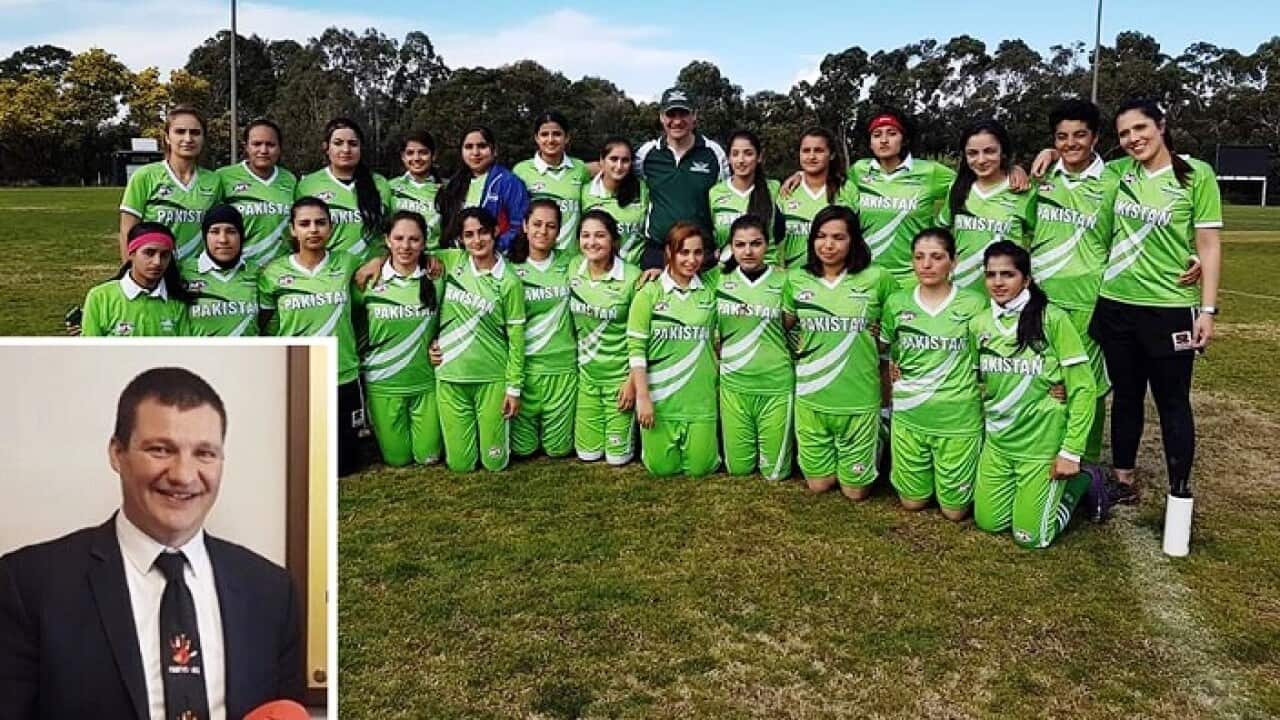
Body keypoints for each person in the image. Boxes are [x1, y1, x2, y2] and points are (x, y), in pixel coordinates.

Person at [0, 367, 304, 719]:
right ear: (117, 453)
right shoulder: (28, 585)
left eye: (204, 453)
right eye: (161, 450)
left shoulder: (271, 592)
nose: (183, 475)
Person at [1089, 99, 1222, 513]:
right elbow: (1072, 160)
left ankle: (1179, 492)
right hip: (1117, 305)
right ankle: (1123, 480)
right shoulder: (1116, 173)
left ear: (1161, 126)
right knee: (1126, 396)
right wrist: (1042, 156)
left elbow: (1209, 244)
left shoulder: (1196, 174)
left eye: (1140, 128)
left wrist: (1207, 310)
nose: (1133, 139)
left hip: (1170, 308)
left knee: (1173, 402)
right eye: (1125, 133)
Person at [970, 242, 1097, 548]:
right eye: (991, 275)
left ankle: (1080, 482)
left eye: (1008, 274)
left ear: (1026, 279)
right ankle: (1028, 496)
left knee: (1031, 538)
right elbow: (976, 379)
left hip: (1042, 447)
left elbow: (1083, 387)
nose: (998, 282)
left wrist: (1070, 451)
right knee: (989, 523)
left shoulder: (1052, 319)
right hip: (999, 444)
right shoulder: (979, 324)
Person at [1028, 99, 1114, 514]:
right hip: (1042, 300)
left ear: (1096, 137)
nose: (1070, 143)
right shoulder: (1041, 178)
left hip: (1090, 302)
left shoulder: (1113, 182)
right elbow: (1020, 221)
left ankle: (1087, 465)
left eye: (1079, 135)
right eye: (1061, 137)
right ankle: (1044, 454)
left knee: (1088, 385)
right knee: (1045, 380)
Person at [783, 205, 898, 499]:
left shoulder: (877, 278)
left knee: (854, 493)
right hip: (812, 395)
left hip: (858, 397)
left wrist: (883, 343)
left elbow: (900, 318)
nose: (828, 245)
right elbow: (782, 325)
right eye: (821, 236)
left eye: (838, 237)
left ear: (854, 241)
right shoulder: (797, 279)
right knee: (819, 486)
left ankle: (879, 437)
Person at [880, 228, 985, 519]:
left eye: (937, 257)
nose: (927, 265)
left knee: (954, 513)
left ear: (954, 262)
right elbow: (885, 349)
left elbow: (991, 357)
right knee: (912, 503)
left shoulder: (975, 304)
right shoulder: (897, 303)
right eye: (919, 257)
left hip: (957, 419)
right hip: (911, 415)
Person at [258, 197, 363, 476]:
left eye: (320, 223)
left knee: (346, 466)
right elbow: (266, 324)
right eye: (304, 224)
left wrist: (375, 262)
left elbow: (378, 268)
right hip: (300, 372)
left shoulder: (348, 262)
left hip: (343, 372)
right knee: (298, 459)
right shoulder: (274, 273)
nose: (313, 230)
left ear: (330, 227)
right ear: (292, 229)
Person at [432, 207, 526, 472]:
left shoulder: (509, 282)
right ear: (461, 239)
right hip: (451, 376)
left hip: (491, 379)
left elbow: (517, 340)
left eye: (483, 232)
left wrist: (513, 389)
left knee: (495, 463)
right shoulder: (452, 261)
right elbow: (405, 253)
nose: (477, 241)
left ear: (496, 231)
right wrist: (376, 262)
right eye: (469, 235)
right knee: (461, 466)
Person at [628, 222, 720, 477]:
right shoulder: (649, 293)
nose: (691, 260)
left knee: (699, 470)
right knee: (661, 469)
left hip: (700, 402)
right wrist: (642, 397)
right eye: (684, 252)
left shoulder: (711, 290)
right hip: (660, 400)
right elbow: (636, 348)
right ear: (669, 252)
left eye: (698, 253)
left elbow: (741, 252)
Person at [354, 211, 444, 467]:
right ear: (387, 240)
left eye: (414, 239)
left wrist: (440, 342)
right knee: (398, 460)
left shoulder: (437, 278)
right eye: (399, 238)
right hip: (383, 384)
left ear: (425, 243)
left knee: (428, 458)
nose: (406, 246)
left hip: (425, 383)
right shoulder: (368, 280)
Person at [714, 214, 793, 480]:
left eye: (756, 244)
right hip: (733, 385)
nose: (748, 251)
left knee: (774, 474)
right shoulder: (718, 280)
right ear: (731, 247)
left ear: (767, 245)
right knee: (739, 470)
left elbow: (797, 324)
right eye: (740, 244)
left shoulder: (786, 281)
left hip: (775, 384)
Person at [850, 111, 958, 284]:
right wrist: (800, 176)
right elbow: (828, 180)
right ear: (870, 143)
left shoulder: (930, 172)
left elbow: (972, 179)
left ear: (904, 139)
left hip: (913, 277)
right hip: (866, 275)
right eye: (877, 135)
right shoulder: (859, 171)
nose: (884, 140)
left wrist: (1012, 171)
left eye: (892, 134)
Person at [569, 210, 642, 465]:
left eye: (600, 235)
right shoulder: (572, 269)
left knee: (616, 459)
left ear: (614, 240)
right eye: (585, 235)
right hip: (587, 379)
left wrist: (632, 382)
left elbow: (643, 335)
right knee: (587, 455)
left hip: (620, 381)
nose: (592, 242)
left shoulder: (633, 277)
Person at [507, 200, 577, 459]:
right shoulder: (508, 268)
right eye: (536, 224)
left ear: (559, 231)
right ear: (525, 226)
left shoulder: (572, 264)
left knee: (558, 450)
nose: (543, 231)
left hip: (562, 369)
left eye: (551, 226)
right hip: (525, 371)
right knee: (523, 450)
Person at [937, 120, 1037, 293]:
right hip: (962, 290)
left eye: (989, 151)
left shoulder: (1023, 191)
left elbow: (1038, 240)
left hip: (1005, 293)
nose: (981, 160)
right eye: (972, 153)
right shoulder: (957, 188)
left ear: (1003, 152)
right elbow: (941, 233)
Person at [634, 87, 728, 269]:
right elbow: (613, 168)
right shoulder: (646, 154)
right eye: (671, 114)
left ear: (694, 116)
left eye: (683, 114)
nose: (677, 121)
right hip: (658, 251)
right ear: (661, 117)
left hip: (700, 254)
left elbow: (732, 190)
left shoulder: (714, 152)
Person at [119, 105, 222, 262]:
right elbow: (128, 231)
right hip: (156, 271)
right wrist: (131, 275)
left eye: (195, 133)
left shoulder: (214, 181)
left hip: (199, 275)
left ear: (203, 138)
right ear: (167, 137)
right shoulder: (145, 176)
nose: (188, 139)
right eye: (180, 132)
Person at [294, 117, 393, 260]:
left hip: (373, 274)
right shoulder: (307, 185)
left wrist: (380, 261)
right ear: (326, 147)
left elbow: (392, 233)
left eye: (353, 144)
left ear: (361, 148)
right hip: (329, 273)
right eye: (338, 143)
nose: (346, 149)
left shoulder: (380, 183)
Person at [83, 222, 191, 337]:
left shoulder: (177, 302)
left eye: (164, 255)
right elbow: (90, 351)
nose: (157, 262)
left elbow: (183, 351)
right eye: (149, 253)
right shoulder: (100, 297)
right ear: (131, 253)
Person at [435, 125, 529, 254]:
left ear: (494, 150)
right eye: (469, 147)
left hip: (496, 260)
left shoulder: (509, 182)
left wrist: (492, 249)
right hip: (460, 261)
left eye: (482, 146)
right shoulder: (454, 184)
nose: (475, 152)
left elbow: (519, 225)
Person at [216, 118, 297, 269]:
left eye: (270, 145)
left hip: (281, 270)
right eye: (257, 144)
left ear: (280, 148)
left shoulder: (290, 180)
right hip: (240, 269)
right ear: (246, 147)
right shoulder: (224, 177)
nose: (263, 150)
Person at [777, 127, 858, 269]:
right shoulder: (787, 191)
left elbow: (858, 235)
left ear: (831, 154)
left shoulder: (847, 189)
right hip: (794, 279)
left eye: (819, 151)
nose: (811, 156)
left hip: (836, 279)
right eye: (806, 151)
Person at [513, 111, 592, 255]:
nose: (550, 140)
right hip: (535, 256)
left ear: (567, 137)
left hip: (571, 256)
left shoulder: (580, 169)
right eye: (544, 134)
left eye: (557, 134)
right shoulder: (521, 170)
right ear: (536, 138)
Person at [180, 204, 261, 337]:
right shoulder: (183, 272)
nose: (223, 240)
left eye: (231, 231)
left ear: (241, 236)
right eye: (214, 231)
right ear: (205, 236)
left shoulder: (257, 272)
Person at [708, 129, 784, 265]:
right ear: (729, 158)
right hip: (726, 275)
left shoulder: (775, 189)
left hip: (767, 274)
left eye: (748, 153)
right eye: (735, 154)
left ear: (759, 157)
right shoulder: (715, 193)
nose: (741, 160)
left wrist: (800, 174)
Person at [580, 136, 650, 266]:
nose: (619, 166)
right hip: (597, 271)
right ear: (602, 160)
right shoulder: (585, 192)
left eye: (625, 160)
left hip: (635, 273)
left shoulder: (643, 190)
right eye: (613, 159)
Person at [388, 130, 443, 251]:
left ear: (433, 155)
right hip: (399, 258)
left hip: (434, 261)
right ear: (403, 157)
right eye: (410, 153)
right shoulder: (390, 187)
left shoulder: (445, 189)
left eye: (423, 152)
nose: (416, 158)